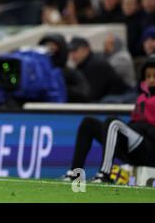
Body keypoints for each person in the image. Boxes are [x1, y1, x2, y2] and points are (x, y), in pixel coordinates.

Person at [63, 55, 155, 183]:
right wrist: (136, 126)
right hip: (135, 147)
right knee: (88, 123)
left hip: (149, 150)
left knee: (113, 123)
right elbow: (135, 122)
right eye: (148, 76)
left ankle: (105, 174)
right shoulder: (142, 98)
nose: (151, 80)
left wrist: (142, 127)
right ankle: (75, 173)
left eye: (154, 76)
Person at [68, 36, 130, 102]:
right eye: (70, 52)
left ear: (85, 50)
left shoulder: (96, 64)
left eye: (75, 51)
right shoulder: (83, 64)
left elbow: (92, 95)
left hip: (118, 103)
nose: (72, 55)